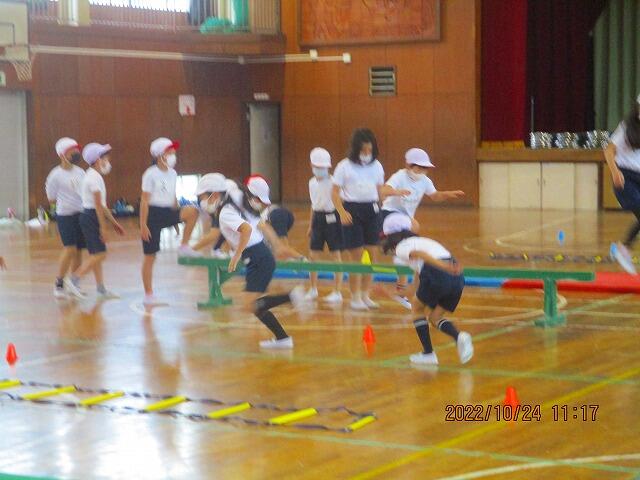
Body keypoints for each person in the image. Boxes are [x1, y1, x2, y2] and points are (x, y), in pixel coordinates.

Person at [217, 175, 306, 349]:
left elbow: (254, 228)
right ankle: (282, 338)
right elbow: (262, 226)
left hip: (258, 257)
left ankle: (291, 297)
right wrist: (277, 246)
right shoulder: (240, 207)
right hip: (258, 257)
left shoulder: (239, 210)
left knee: (249, 305)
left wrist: (277, 246)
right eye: (258, 199)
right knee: (253, 306)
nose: (259, 203)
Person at [379, 213, 473, 365]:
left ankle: (428, 354)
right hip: (457, 277)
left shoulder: (402, 247)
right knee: (435, 317)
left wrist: (442, 266)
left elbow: (420, 255)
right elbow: (416, 285)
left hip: (438, 270)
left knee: (417, 310)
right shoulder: (423, 241)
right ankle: (459, 337)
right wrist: (393, 293)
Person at [332, 128, 409, 310]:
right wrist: (341, 212)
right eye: (363, 150)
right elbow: (334, 192)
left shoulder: (377, 166)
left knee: (371, 256)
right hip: (352, 210)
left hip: (372, 210)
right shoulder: (344, 166)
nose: (367, 153)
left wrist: (395, 193)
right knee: (356, 257)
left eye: (370, 150)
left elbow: (380, 190)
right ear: (355, 149)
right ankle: (355, 297)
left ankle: (365, 294)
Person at [381, 148, 465, 305]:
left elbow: (435, 196)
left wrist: (447, 194)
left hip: (407, 220)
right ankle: (403, 288)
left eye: (425, 168)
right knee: (414, 229)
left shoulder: (425, 181)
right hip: (390, 216)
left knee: (407, 250)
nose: (422, 171)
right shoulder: (400, 176)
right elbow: (384, 190)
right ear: (409, 165)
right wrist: (397, 192)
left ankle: (404, 289)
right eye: (419, 167)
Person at [140, 137, 201, 306]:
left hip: (168, 211)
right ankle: (148, 295)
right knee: (150, 257)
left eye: (174, 152)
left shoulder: (173, 173)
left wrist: (175, 220)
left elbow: (172, 198)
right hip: (152, 215)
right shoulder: (150, 174)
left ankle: (184, 246)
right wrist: (143, 224)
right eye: (170, 152)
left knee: (193, 211)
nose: (174, 155)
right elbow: (144, 200)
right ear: (160, 155)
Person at [64, 143, 124, 299]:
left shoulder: (93, 176)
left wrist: (114, 222)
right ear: (98, 160)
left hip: (90, 216)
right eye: (105, 158)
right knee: (100, 254)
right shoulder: (94, 178)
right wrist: (103, 228)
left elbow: (102, 206)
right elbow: (98, 205)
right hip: (91, 217)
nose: (108, 161)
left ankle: (101, 289)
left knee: (96, 254)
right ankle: (73, 280)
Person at [45, 137, 87, 298]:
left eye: (77, 150)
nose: (76, 153)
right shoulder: (55, 175)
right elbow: (51, 198)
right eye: (72, 151)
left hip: (81, 214)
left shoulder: (81, 172)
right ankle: (59, 283)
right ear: (62, 154)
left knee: (79, 250)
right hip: (65, 216)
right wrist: (66, 201)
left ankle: (74, 283)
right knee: (70, 248)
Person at [605, 94, 640, 273]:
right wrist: (615, 171)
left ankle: (622, 249)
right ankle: (623, 248)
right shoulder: (626, 127)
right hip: (625, 177)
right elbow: (609, 151)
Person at [305, 147, 344, 303]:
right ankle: (313, 289)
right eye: (317, 166)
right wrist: (310, 225)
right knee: (313, 255)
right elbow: (313, 204)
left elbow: (341, 201)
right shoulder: (311, 183)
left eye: (323, 167)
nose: (320, 169)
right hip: (318, 219)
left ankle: (337, 291)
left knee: (336, 255)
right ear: (312, 165)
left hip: (332, 218)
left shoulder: (334, 183)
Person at [192, 174, 232, 252]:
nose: (201, 202)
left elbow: (214, 234)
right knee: (217, 248)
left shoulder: (226, 209)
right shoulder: (217, 207)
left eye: (202, 198)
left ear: (215, 195)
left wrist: (191, 250)